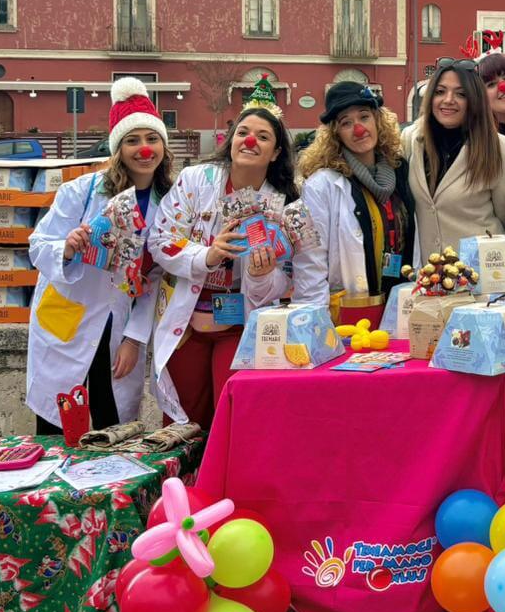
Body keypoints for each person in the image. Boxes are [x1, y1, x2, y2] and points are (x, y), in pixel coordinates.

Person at [28, 78, 172, 434]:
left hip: (118, 326)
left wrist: (134, 339)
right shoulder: (81, 191)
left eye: (152, 139)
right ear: (118, 148)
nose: (144, 149)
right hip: (68, 320)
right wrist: (67, 246)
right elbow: (38, 244)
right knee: (56, 425)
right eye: (133, 140)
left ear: (163, 147)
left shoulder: (168, 204)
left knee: (113, 424)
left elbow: (155, 278)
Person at [149, 77, 295, 428]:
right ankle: (179, 484)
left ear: (275, 152)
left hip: (240, 326)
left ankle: (221, 484)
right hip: (186, 324)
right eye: (244, 132)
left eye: (263, 136)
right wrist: (206, 256)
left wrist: (262, 276)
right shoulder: (196, 180)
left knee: (233, 419)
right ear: (231, 140)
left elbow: (289, 281)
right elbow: (161, 239)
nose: (250, 141)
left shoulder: (285, 206)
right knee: (183, 425)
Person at [293, 83, 414, 322]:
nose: (358, 129)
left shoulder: (399, 171)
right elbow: (310, 261)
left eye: (364, 117)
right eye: (346, 123)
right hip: (351, 311)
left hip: (399, 305)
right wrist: (316, 322)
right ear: (335, 133)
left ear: (377, 121)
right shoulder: (322, 185)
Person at [402, 58, 505, 258]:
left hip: (480, 274)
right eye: (440, 92)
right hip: (430, 275)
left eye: (461, 94)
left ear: (474, 100)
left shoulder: (502, 149)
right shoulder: (411, 140)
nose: (448, 100)